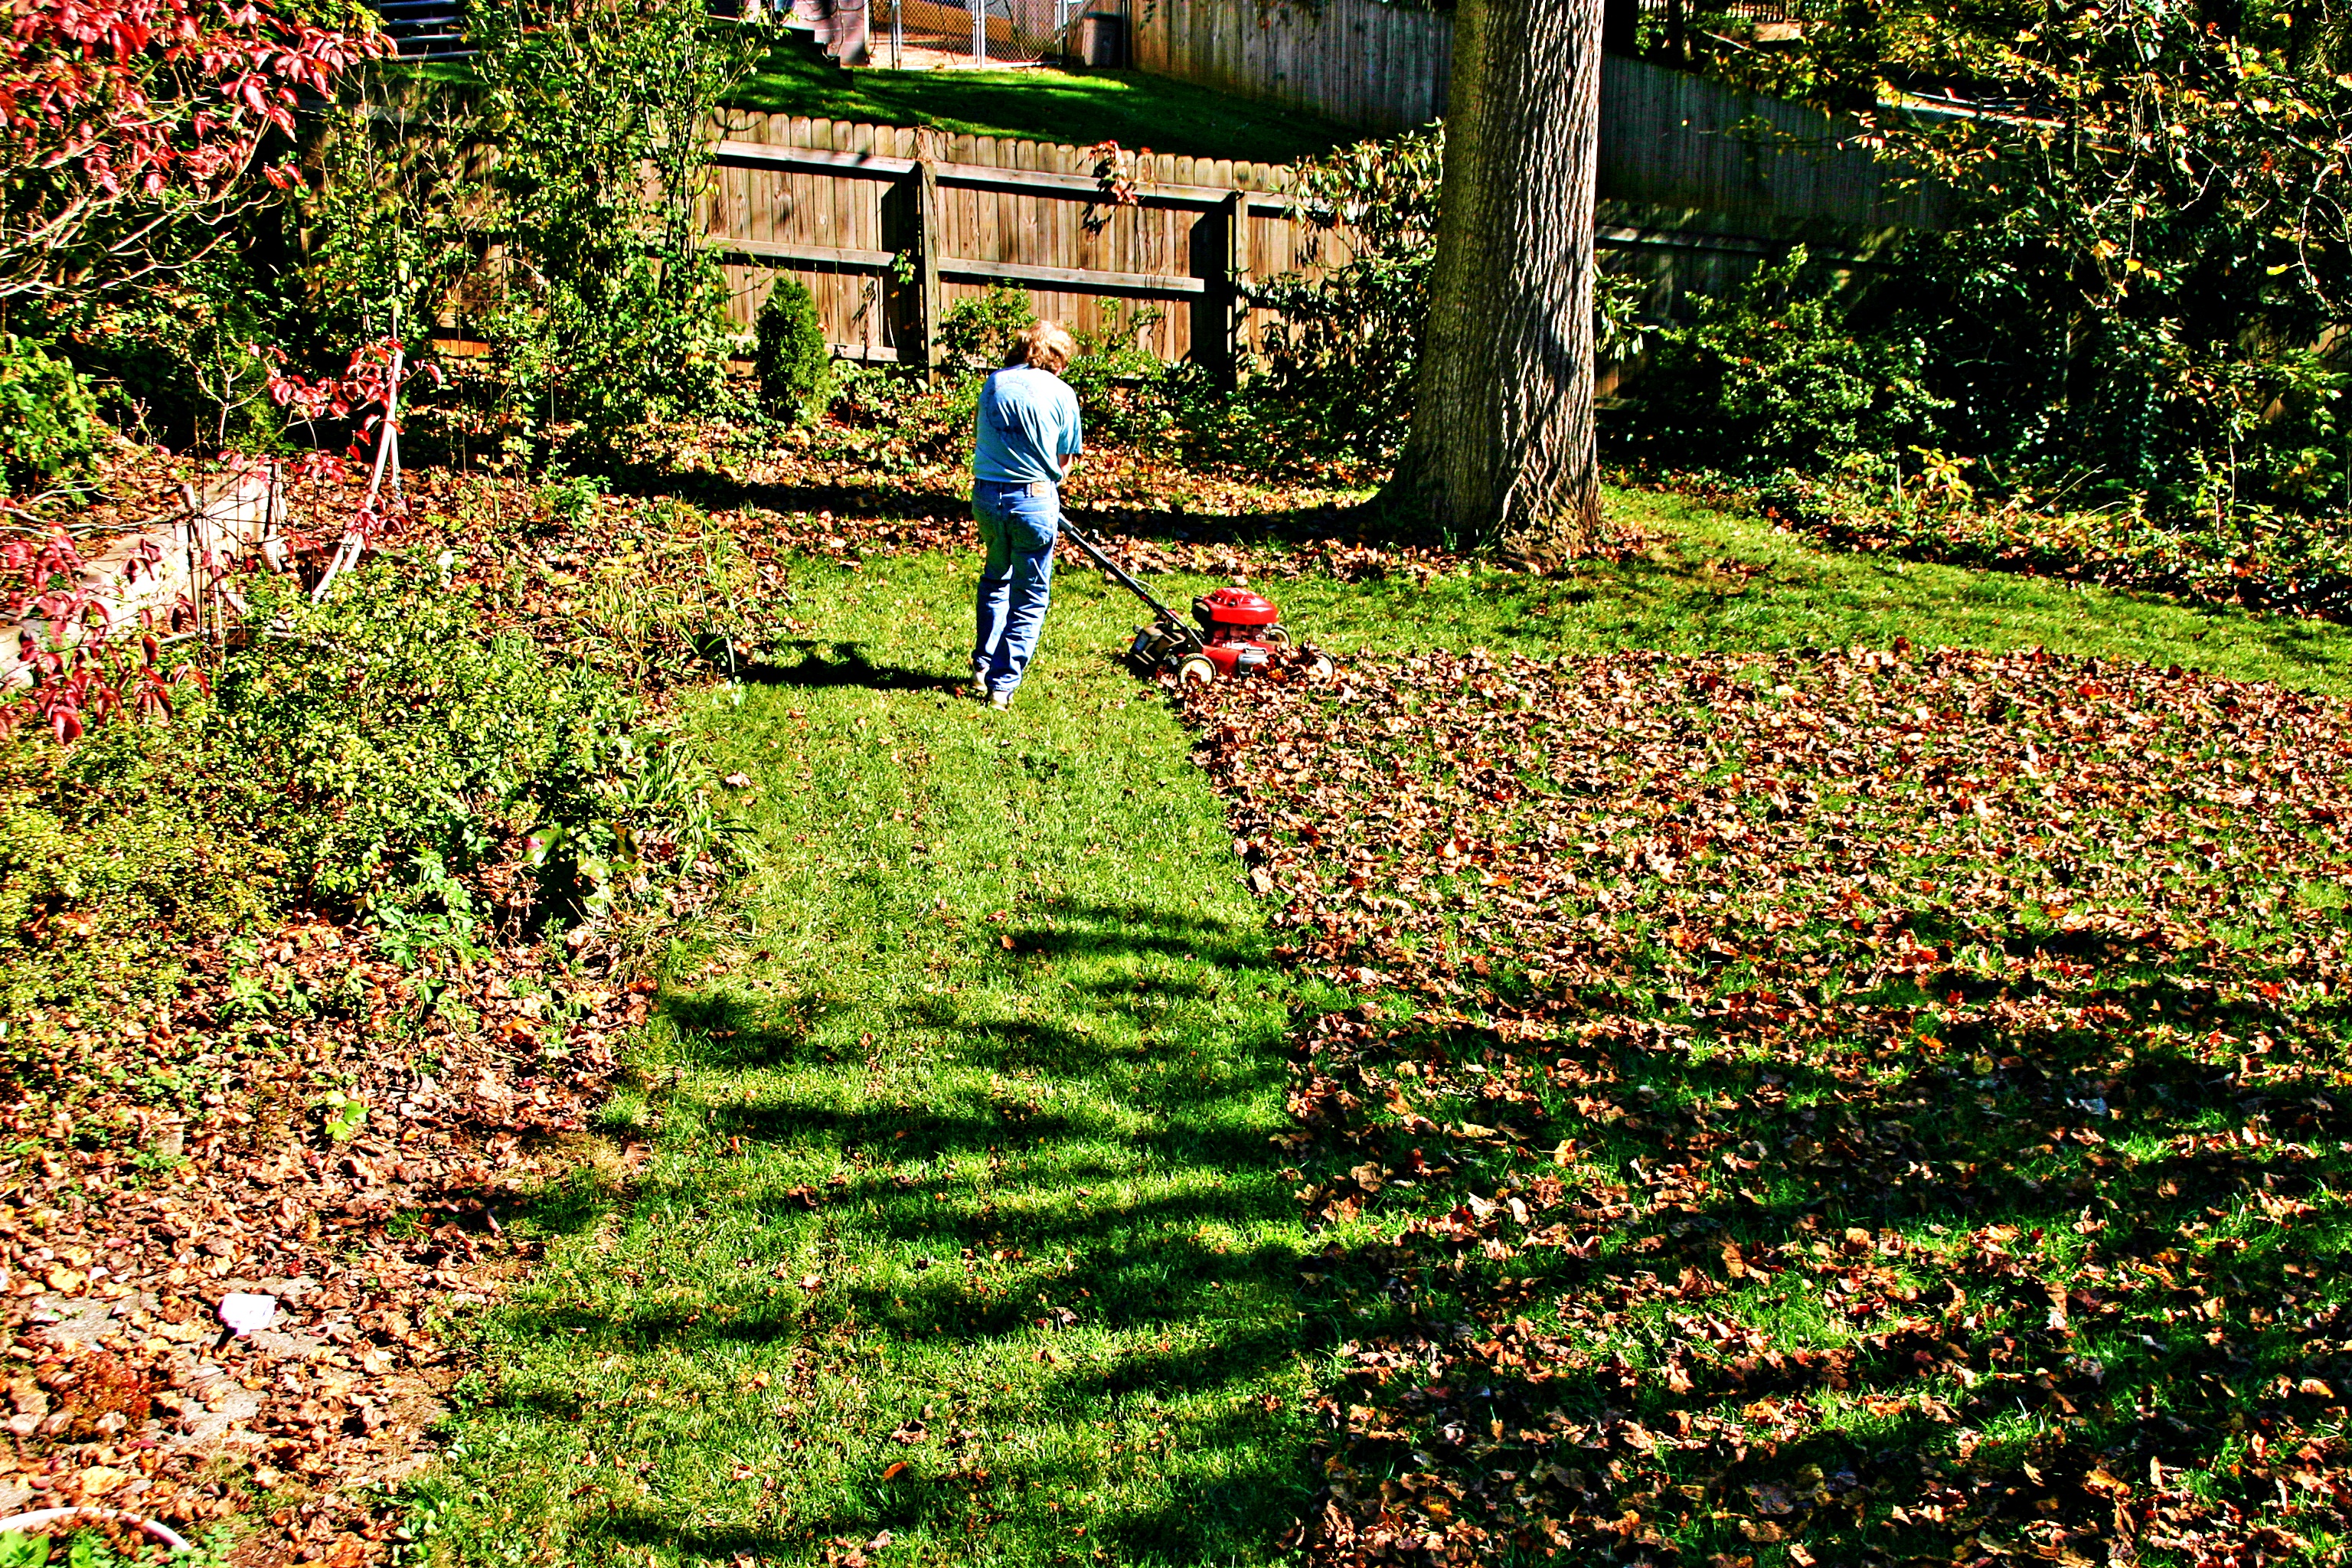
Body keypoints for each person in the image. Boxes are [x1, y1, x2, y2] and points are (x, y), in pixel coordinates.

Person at [970, 321, 1083, 710]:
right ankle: (1001, 685)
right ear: (1059, 357)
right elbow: (1064, 460)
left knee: (996, 577)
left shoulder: (994, 384)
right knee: (1030, 595)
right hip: (1032, 500)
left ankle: (983, 665)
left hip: (985, 496)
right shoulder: (1063, 394)